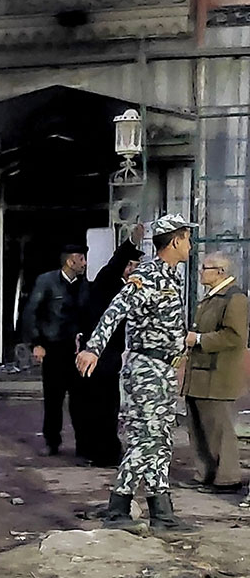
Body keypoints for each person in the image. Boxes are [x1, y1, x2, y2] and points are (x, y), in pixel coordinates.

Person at [77, 214, 198, 533]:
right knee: (146, 442)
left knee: (158, 441)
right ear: (174, 241)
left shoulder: (171, 276)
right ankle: (120, 509)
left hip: (162, 370)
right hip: (146, 370)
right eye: (187, 238)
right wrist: (93, 348)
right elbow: (115, 310)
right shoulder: (148, 275)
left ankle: (160, 512)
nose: (190, 244)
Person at [179, 252, 248, 494]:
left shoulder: (234, 298)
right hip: (200, 374)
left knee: (219, 430)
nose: (201, 272)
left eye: (205, 268)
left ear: (220, 272)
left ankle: (227, 478)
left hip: (218, 374)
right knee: (199, 428)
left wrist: (198, 339)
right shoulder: (211, 297)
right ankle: (205, 473)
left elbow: (235, 336)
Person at [80, 224, 146, 467]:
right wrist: (130, 243)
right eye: (133, 267)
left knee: (106, 405)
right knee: (103, 405)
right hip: (100, 354)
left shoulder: (128, 288)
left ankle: (101, 449)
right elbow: (114, 264)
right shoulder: (108, 280)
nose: (135, 273)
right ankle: (104, 453)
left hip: (112, 355)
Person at [21, 243, 90, 457]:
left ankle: (83, 444)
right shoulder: (47, 281)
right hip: (54, 347)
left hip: (78, 349)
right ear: (71, 261)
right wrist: (36, 343)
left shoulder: (85, 285)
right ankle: (52, 441)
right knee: (53, 398)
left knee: (80, 399)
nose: (85, 263)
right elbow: (31, 312)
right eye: (81, 258)